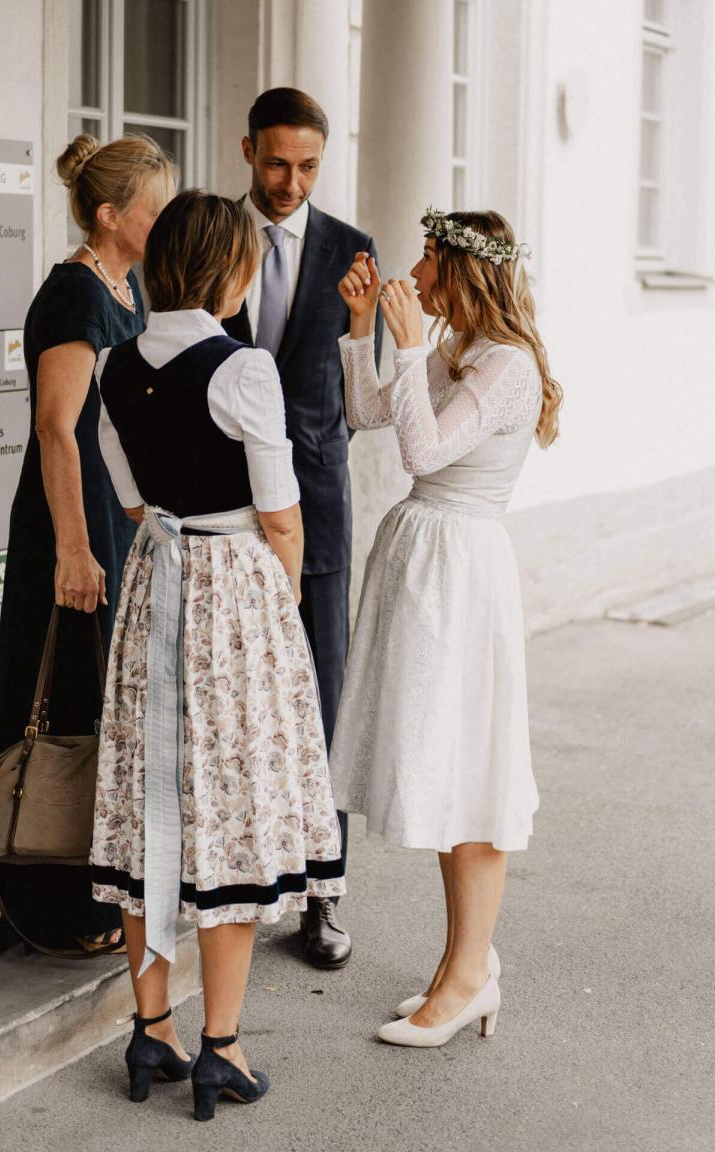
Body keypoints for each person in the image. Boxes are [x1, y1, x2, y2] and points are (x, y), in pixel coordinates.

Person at [90, 190, 345, 1118]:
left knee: (149, 808)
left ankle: (149, 1029)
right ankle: (220, 1047)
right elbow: (282, 513)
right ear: (228, 269)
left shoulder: (116, 364)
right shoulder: (244, 369)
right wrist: (276, 615)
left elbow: (126, 498)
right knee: (230, 813)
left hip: (158, 577)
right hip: (234, 588)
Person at [330, 208, 563, 1046]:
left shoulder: (505, 367)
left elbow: (424, 455)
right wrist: (365, 331)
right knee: (441, 771)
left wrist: (408, 346)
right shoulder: (458, 351)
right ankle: (467, 966)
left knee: (473, 777)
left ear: (466, 270)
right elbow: (366, 414)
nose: (416, 274)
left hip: (462, 574)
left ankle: (468, 977)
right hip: (425, 566)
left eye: (429, 260)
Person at [0, 132, 176, 956]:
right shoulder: (75, 296)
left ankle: (92, 895)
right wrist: (74, 548)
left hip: (107, 517)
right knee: (63, 699)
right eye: (153, 209)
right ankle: (51, 904)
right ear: (109, 216)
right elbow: (56, 429)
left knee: (98, 703)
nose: (163, 223)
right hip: (69, 525)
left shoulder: (124, 287)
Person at [223, 87, 382, 969]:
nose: (291, 182)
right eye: (278, 162)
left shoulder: (351, 248)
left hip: (316, 507)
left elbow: (357, 396)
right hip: (221, 507)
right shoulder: (207, 234)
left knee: (322, 700)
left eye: (308, 166)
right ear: (248, 149)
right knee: (230, 700)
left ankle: (323, 896)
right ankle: (236, 881)